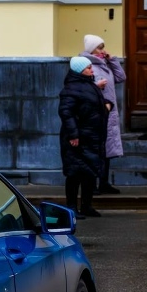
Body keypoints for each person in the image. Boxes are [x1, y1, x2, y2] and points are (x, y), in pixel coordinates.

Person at [58, 56, 111, 218]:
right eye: (88, 68)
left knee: (89, 173)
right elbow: (66, 112)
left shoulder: (89, 85)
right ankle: (72, 207)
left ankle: (87, 206)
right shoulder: (72, 88)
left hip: (91, 137)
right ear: (80, 70)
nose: (91, 70)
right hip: (78, 139)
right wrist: (73, 134)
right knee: (74, 173)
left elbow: (92, 106)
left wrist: (107, 106)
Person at [81, 34, 126, 195]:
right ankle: (92, 185)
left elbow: (121, 77)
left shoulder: (105, 63)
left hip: (109, 112)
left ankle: (104, 183)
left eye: (103, 47)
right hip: (96, 112)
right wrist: (96, 86)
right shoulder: (85, 64)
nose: (103, 50)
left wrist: (112, 59)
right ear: (92, 49)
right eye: (100, 47)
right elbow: (80, 86)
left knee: (106, 149)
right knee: (96, 149)